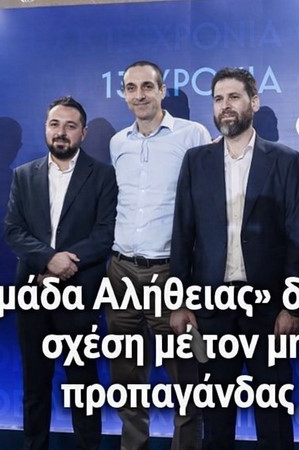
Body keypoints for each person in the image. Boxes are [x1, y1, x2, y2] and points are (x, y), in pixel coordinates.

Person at [169, 67, 299, 450]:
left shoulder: (284, 159)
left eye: (234, 97)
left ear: (253, 102)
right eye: (218, 99)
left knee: (274, 416)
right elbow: (183, 234)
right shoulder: (196, 160)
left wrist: (292, 306)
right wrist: (178, 301)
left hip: (269, 309)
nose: (225, 106)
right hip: (212, 309)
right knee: (216, 418)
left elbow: (296, 238)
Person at [105, 60, 210, 450]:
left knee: (185, 380)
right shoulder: (118, 142)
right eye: (131, 88)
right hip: (121, 273)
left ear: (162, 90)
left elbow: (206, 207)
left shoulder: (192, 135)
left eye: (147, 87)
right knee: (126, 378)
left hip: (170, 273)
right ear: (124, 94)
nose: (140, 95)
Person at [5, 96, 117, 450]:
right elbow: (14, 230)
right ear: (45, 129)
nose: (61, 132)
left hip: (79, 294)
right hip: (33, 293)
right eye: (55, 124)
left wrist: (63, 266)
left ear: (83, 133)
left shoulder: (103, 176)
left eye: (70, 126)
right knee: (34, 385)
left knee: (83, 387)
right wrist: (48, 260)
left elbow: (105, 234)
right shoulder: (24, 175)